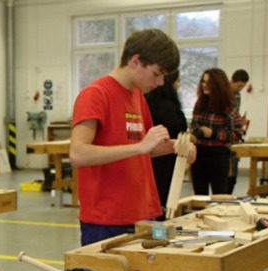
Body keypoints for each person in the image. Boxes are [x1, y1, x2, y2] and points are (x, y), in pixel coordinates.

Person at [69, 29, 196, 246]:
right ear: (135, 61)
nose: (160, 82)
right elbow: (78, 154)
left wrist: (177, 146)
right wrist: (139, 147)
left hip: (141, 214)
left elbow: (145, 148)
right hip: (107, 220)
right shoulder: (96, 95)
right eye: (156, 74)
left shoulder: (137, 95)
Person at [190, 68, 246, 195]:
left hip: (218, 155)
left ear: (217, 84)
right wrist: (195, 132)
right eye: (203, 82)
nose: (204, 85)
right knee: (199, 195)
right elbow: (194, 125)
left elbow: (237, 133)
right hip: (199, 153)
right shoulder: (200, 102)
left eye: (208, 83)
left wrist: (213, 134)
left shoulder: (227, 105)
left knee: (219, 195)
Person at [144, 71, 189, 210]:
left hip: (152, 159)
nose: (179, 85)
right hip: (165, 159)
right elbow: (177, 132)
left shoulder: (147, 102)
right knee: (164, 200)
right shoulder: (169, 106)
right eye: (177, 81)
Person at [228, 69, 250, 193]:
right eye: (239, 86)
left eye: (243, 86)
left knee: (233, 171)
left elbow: (235, 114)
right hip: (225, 136)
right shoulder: (223, 94)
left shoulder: (238, 95)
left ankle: (229, 193)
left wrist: (240, 121)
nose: (240, 89)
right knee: (226, 172)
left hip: (234, 135)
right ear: (232, 81)